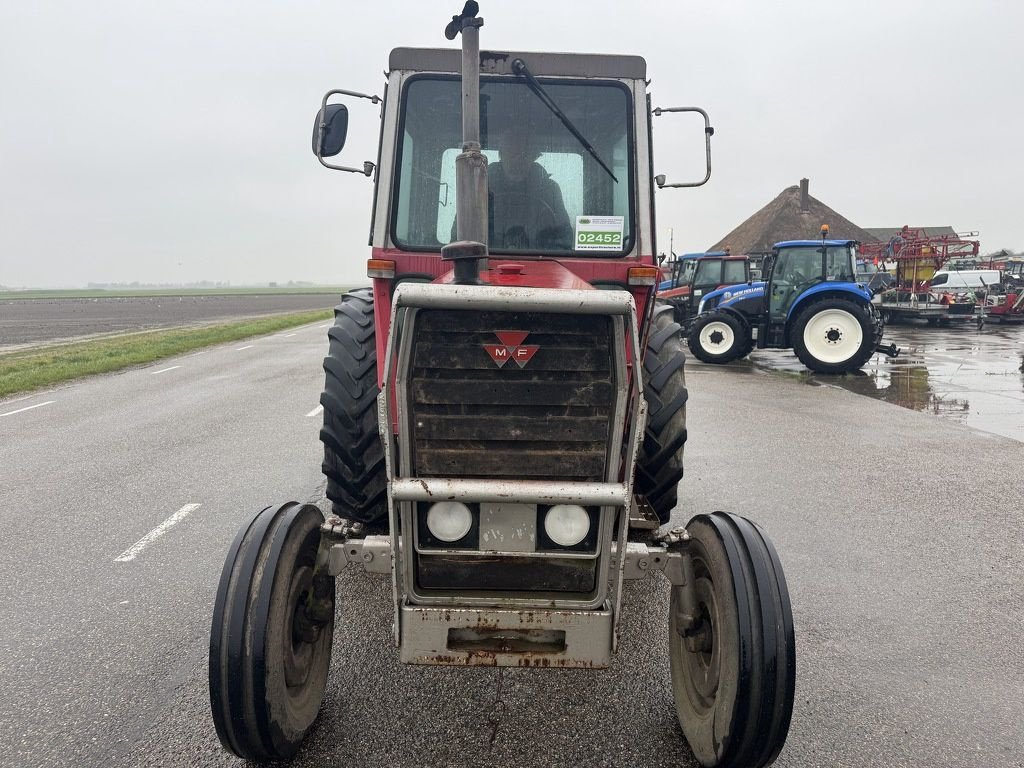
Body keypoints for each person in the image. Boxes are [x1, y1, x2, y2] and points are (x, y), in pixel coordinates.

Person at [486, 130, 572, 250]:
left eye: (524, 154)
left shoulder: (550, 190)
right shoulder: (481, 187)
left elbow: (564, 238)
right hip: (484, 258)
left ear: (534, 156)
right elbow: (465, 235)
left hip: (542, 258)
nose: (517, 159)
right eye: (511, 152)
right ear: (501, 154)